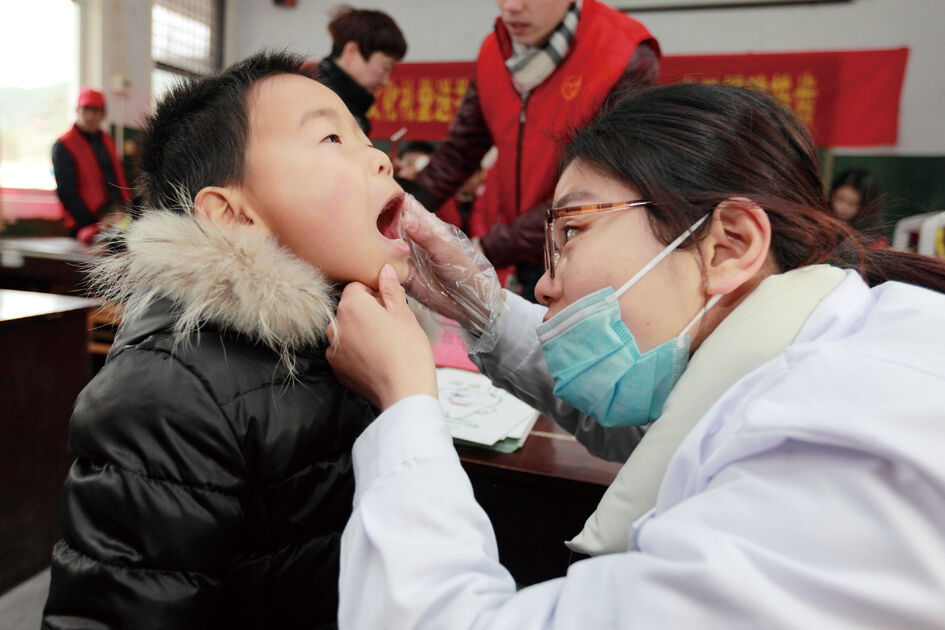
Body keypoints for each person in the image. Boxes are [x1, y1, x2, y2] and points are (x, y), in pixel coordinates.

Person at [326, 83, 945, 628]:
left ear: (729, 245)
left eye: (572, 231)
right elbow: (665, 430)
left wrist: (405, 404)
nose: (545, 286)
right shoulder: (811, 359)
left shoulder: (836, 456)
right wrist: (478, 305)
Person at [41, 50, 413, 629]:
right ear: (234, 217)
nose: (380, 158)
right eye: (331, 140)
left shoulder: (355, 331)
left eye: (366, 139)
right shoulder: (168, 395)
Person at [414, 0, 660, 301]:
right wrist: (404, 203)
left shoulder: (624, 52)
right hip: (524, 256)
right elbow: (461, 150)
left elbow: (605, 179)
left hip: (582, 258)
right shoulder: (496, 50)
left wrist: (490, 248)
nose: (511, 7)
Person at [51, 87, 131, 243]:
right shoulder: (64, 145)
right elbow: (67, 192)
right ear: (77, 111)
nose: (90, 116)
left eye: (95, 111)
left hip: (117, 219)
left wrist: (125, 210)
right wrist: (93, 224)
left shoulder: (108, 141)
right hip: (85, 226)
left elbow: (118, 179)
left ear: (103, 114)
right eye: (85, 110)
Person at [313, 5, 407, 135]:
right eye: (386, 67)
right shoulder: (319, 101)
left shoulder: (353, 103)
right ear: (352, 52)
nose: (385, 82)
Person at [829, 166, 887, 248]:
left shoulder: (873, 238)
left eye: (852, 204)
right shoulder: (820, 218)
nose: (842, 208)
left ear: (866, 207)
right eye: (839, 199)